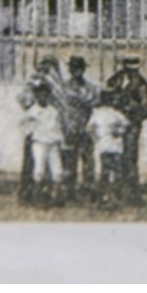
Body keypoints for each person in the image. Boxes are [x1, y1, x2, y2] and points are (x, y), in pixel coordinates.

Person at [105, 55, 147, 205]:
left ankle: (132, 195)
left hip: (131, 125)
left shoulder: (142, 85)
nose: (131, 72)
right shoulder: (115, 80)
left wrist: (130, 107)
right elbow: (107, 96)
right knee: (112, 158)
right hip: (113, 124)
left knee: (130, 159)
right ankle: (115, 194)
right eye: (127, 68)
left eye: (133, 69)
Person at [20, 76, 66, 205]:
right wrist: (29, 134)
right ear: (36, 96)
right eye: (40, 95)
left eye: (45, 95)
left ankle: (54, 196)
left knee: (57, 171)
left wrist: (61, 142)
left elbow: (58, 127)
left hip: (53, 143)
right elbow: (24, 124)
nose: (43, 98)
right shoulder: (33, 111)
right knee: (39, 169)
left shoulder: (53, 111)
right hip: (39, 142)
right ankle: (37, 196)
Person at [61, 55, 101, 200]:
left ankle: (88, 190)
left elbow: (94, 100)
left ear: (83, 70)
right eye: (73, 68)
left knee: (88, 161)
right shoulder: (64, 87)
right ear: (70, 70)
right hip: (70, 128)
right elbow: (63, 104)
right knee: (69, 161)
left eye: (79, 68)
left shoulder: (90, 87)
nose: (76, 71)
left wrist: (80, 100)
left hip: (86, 128)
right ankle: (69, 191)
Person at [88, 89, 131, 206]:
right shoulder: (97, 113)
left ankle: (113, 197)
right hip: (102, 146)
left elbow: (126, 125)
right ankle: (101, 197)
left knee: (114, 172)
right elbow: (89, 128)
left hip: (114, 146)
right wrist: (95, 138)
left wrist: (118, 132)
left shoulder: (116, 113)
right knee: (102, 171)